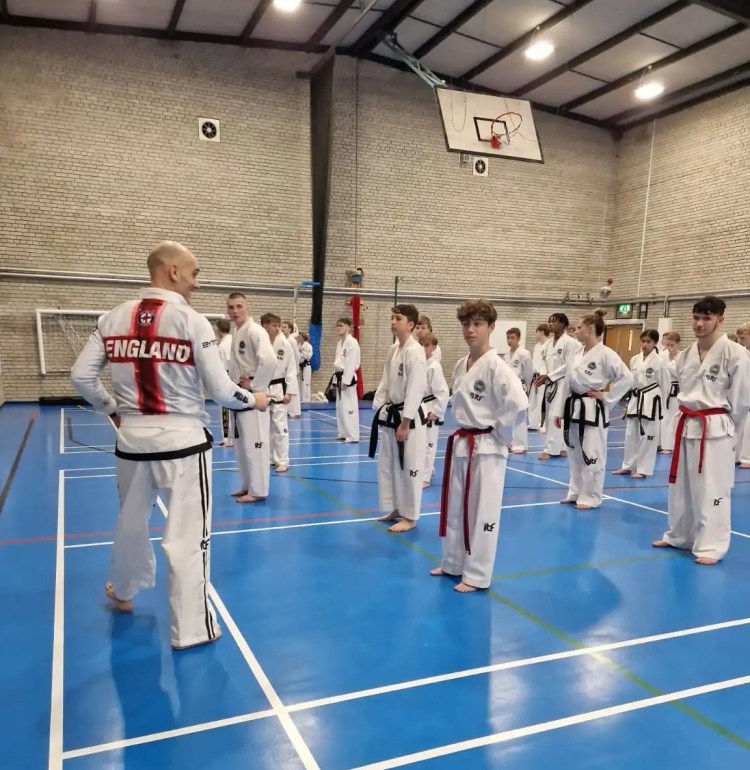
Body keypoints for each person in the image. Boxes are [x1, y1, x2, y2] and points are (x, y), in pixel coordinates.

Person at [70, 241, 268, 650]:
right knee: (187, 537)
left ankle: (123, 593)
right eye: (193, 274)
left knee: (129, 526)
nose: (196, 284)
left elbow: (81, 377)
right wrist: (255, 400)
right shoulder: (191, 321)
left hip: (132, 440)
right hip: (183, 443)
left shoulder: (112, 319)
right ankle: (192, 629)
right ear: (173, 271)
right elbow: (220, 389)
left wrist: (113, 409)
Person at [430, 300, 527, 592]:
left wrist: (499, 432)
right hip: (463, 442)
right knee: (457, 507)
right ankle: (453, 562)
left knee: (482, 512)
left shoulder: (497, 366)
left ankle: (477, 574)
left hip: (487, 446)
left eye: (477, 324)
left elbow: (519, 403)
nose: (470, 330)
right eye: (466, 324)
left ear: (491, 328)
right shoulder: (462, 364)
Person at [653, 296, 750, 564]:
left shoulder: (736, 353)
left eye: (706, 318)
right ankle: (679, 535)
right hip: (686, 425)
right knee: (680, 486)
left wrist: (729, 429)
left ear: (720, 319)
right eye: (696, 318)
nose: (700, 323)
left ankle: (711, 546)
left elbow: (742, 401)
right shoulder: (685, 355)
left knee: (713, 489)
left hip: (716, 428)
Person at [552, 309, 633, 509]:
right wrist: (561, 411)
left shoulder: (606, 354)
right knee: (574, 452)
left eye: (579, 328)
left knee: (592, 452)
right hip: (574, 406)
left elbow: (627, 378)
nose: (576, 331)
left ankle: (591, 497)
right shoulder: (578, 352)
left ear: (590, 329)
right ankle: (575, 492)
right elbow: (567, 382)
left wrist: (607, 396)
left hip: (592, 408)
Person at [370, 305, 428, 532]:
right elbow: (385, 382)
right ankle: (396, 508)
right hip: (392, 414)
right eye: (392, 318)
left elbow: (416, 388)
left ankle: (411, 516)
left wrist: (406, 421)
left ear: (411, 324)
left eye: (398, 318)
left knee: (410, 467)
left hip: (409, 419)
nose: (393, 321)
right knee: (391, 465)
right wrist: (380, 407)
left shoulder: (415, 351)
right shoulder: (394, 349)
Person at [227, 292, 276, 503]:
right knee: (242, 446)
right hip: (239, 395)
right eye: (231, 307)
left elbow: (270, 361)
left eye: (239, 306)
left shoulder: (256, 331)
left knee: (256, 445)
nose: (235, 311)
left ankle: (259, 490)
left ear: (247, 307)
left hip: (253, 397)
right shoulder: (238, 332)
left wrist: (256, 386)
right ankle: (247, 484)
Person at [613, 329, 670, 479]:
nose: (644, 344)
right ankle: (627, 465)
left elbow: (665, 384)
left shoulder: (660, 361)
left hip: (652, 398)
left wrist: (663, 407)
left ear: (655, 343)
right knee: (631, 434)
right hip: (636, 397)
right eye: (643, 341)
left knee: (649, 435)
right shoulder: (634, 359)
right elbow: (631, 381)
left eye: (648, 342)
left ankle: (643, 469)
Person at [533, 313, 581, 459]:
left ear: (563, 324)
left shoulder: (571, 343)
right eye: (550, 322)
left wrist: (550, 375)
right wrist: (543, 375)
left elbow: (570, 365)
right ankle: (560, 448)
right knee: (549, 415)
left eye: (554, 322)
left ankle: (550, 450)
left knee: (556, 415)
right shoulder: (547, 344)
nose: (550, 324)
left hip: (563, 384)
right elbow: (543, 362)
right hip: (549, 383)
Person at [262, 313, 298, 473]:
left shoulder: (285, 344)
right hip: (262, 387)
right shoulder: (259, 342)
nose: (277, 329)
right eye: (274, 325)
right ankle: (270, 458)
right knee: (265, 426)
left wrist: (290, 392)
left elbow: (291, 369)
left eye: (279, 325)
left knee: (279, 425)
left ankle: (283, 460)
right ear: (264, 326)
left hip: (278, 388)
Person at [420, 333, 450, 488]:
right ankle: (427, 469)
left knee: (429, 445)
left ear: (433, 348)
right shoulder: (421, 364)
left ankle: (425, 477)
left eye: (426, 345)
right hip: (421, 408)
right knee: (421, 443)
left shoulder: (434, 366)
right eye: (422, 345)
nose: (424, 348)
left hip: (431, 409)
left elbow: (443, 392)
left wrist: (437, 412)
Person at [506, 327, 533, 454]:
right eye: (508, 338)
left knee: (521, 415)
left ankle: (521, 444)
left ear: (518, 338)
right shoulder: (507, 354)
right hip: (509, 387)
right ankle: (511, 441)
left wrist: (528, 388)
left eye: (512, 338)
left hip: (521, 386)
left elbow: (529, 372)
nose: (510, 340)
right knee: (510, 415)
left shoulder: (524, 353)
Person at [333, 317, 361, 443]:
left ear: (349, 327)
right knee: (340, 407)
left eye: (342, 325)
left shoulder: (352, 342)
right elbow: (337, 363)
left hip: (347, 378)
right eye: (338, 325)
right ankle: (343, 432)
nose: (339, 328)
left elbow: (350, 363)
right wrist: (335, 380)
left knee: (349, 407)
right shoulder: (340, 343)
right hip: (339, 376)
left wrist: (345, 380)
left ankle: (353, 435)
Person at [658, 332, 682, 455]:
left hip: (677, 390)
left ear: (678, 344)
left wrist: (671, 364)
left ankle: (673, 445)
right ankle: (663, 444)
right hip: (663, 389)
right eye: (667, 345)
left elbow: (682, 374)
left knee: (675, 417)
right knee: (664, 416)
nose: (669, 347)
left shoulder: (683, 356)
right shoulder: (662, 356)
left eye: (672, 345)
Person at [215, 319, 234, 447]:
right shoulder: (234, 340)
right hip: (237, 377)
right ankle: (234, 438)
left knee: (225, 409)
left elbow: (219, 367)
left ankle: (227, 438)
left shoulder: (222, 345)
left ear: (218, 330)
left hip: (226, 377)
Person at [528, 323, 550, 432]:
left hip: (543, 377)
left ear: (541, 332)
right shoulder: (537, 346)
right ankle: (533, 424)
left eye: (537, 332)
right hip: (535, 376)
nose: (536, 334)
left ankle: (543, 425)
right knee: (532, 401)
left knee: (542, 401)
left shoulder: (549, 345)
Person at [282, 319, 302, 419]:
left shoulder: (291, 340)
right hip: (287, 368)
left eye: (285, 327)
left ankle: (295, 412)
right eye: (282, 327)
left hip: (293, 368)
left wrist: (295, 368)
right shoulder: (285, 339)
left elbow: (297, 355)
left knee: (294, 390)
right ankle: (290, 410)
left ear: (290, 329)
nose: (282, 329)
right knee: (288, 390)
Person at [298, 331, 313, 403]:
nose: (299, 338)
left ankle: (306, 398)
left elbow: (309, 356)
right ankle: (301, 397)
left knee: (306, 382)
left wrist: (302, 351)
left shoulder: (309, 346)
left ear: (303, 338)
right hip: (300, 366)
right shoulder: (298, 345)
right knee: (300, 382)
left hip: (306, 366)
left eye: (300, 337)